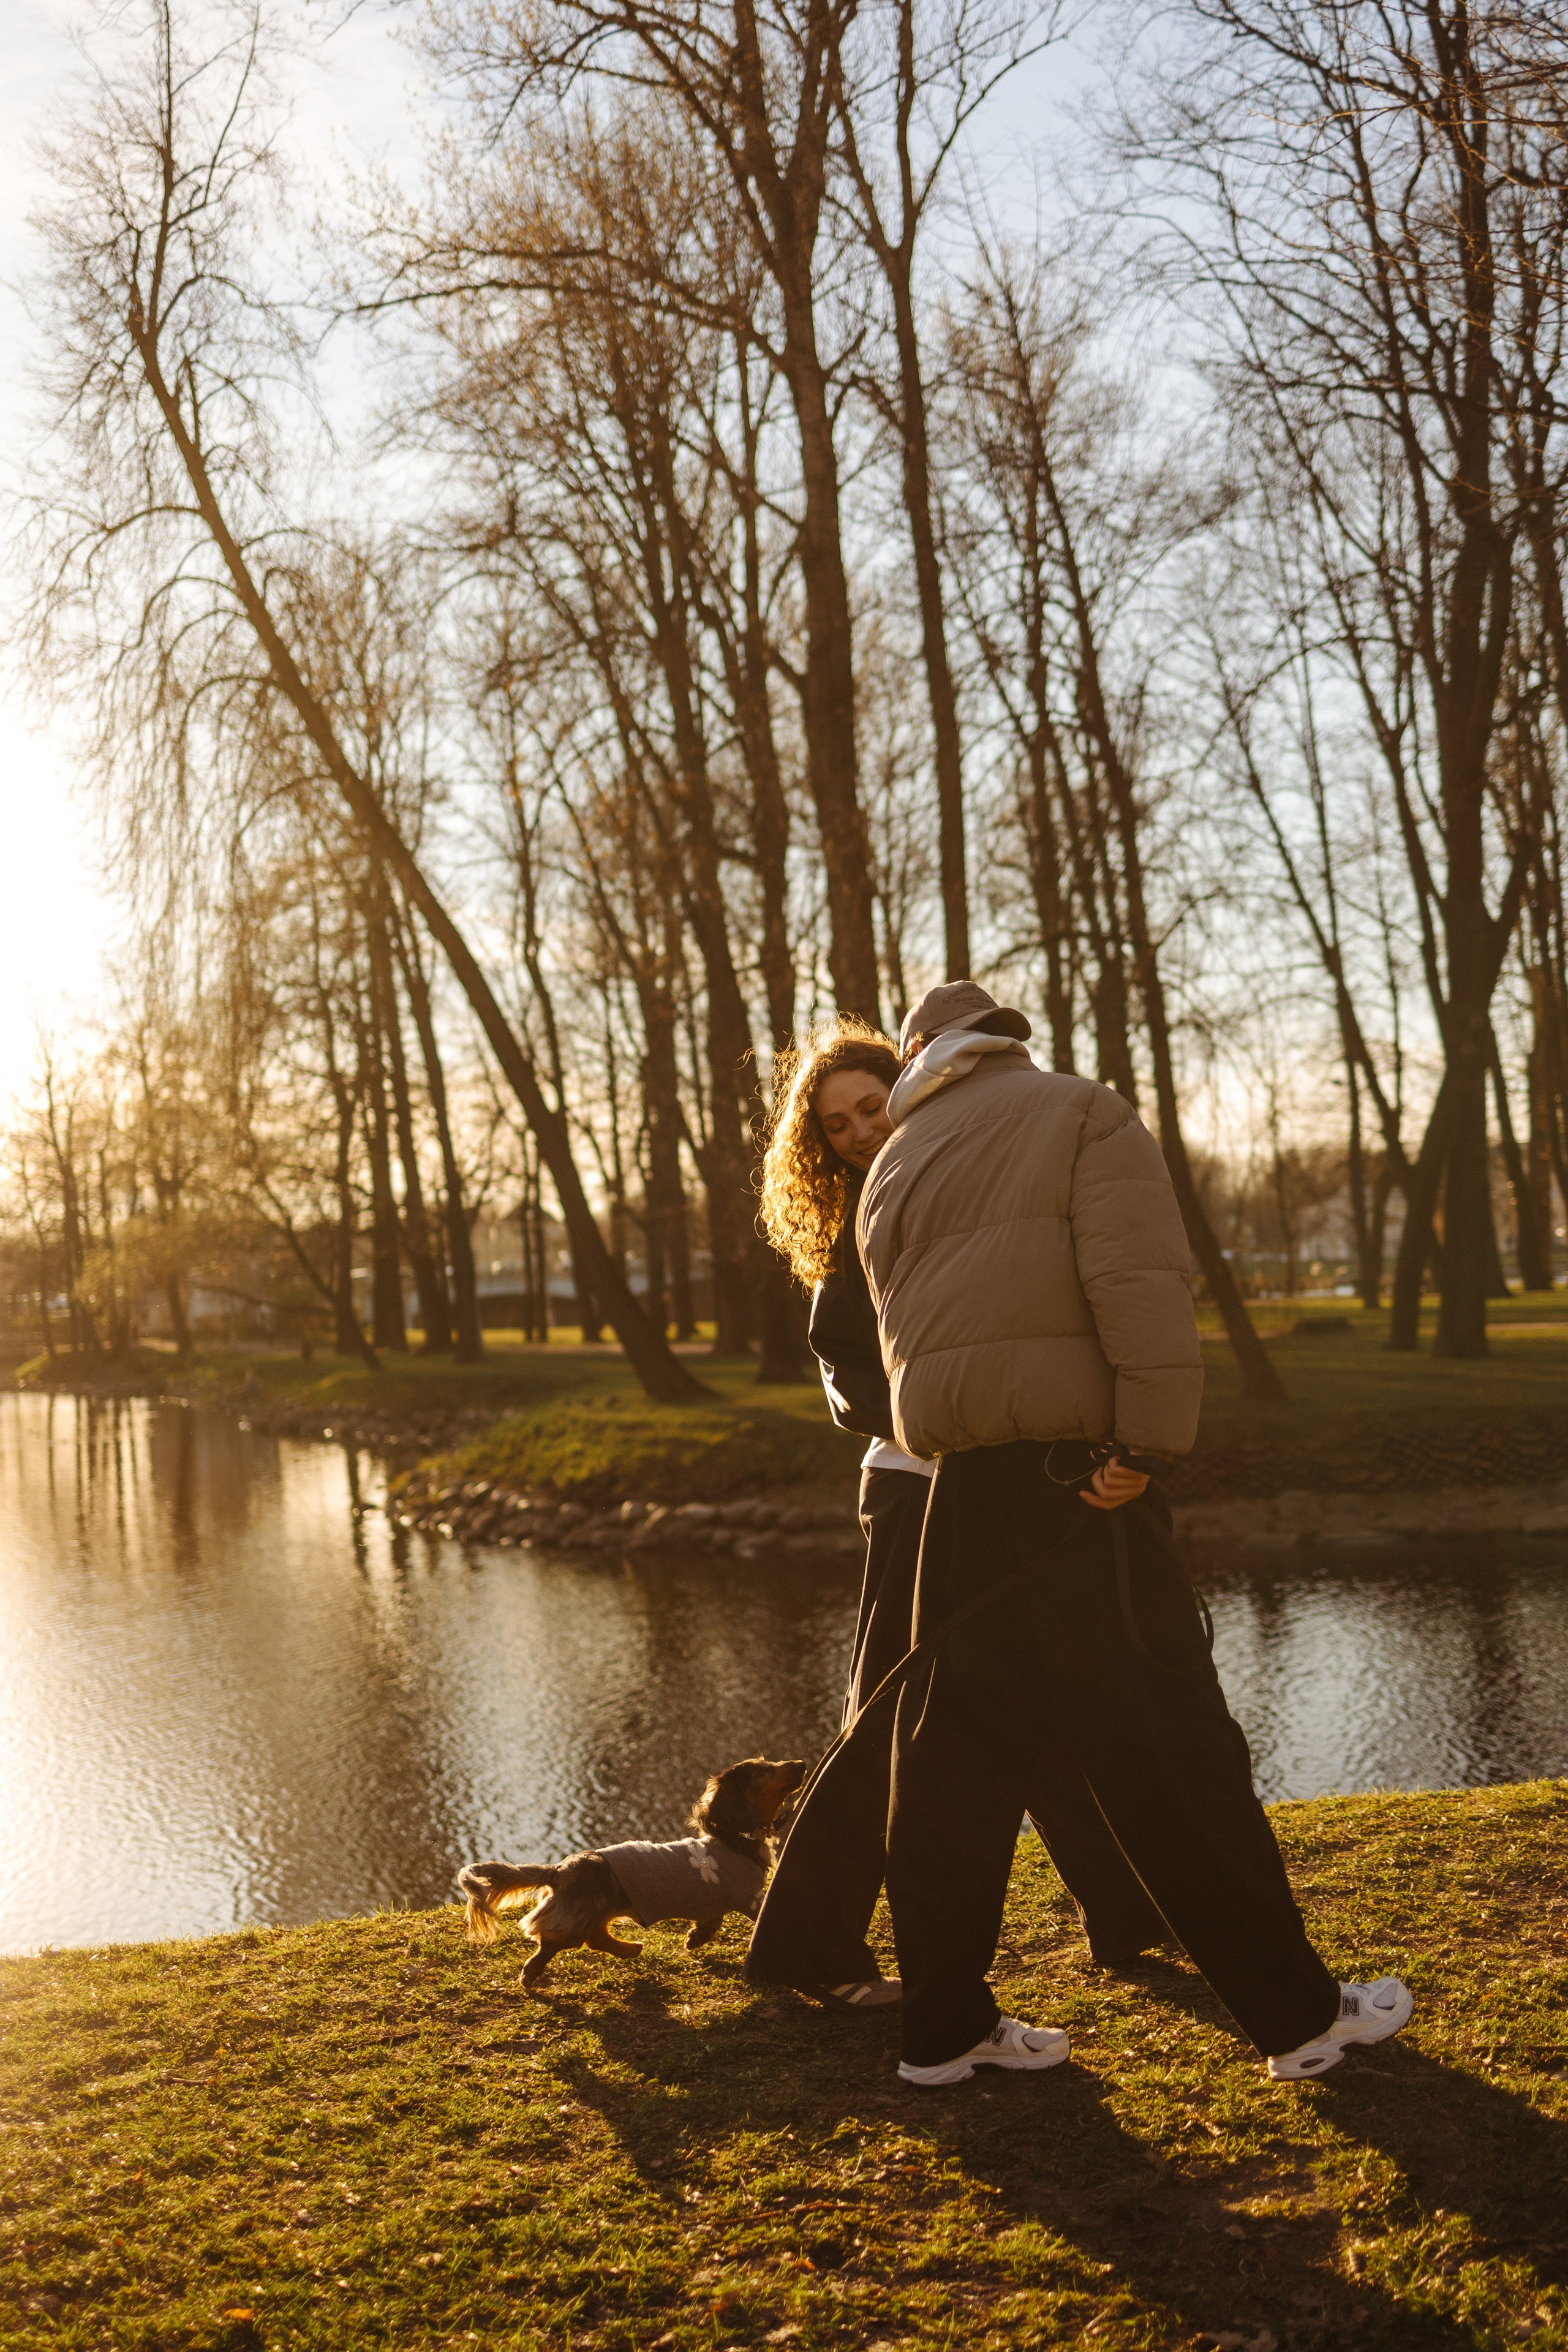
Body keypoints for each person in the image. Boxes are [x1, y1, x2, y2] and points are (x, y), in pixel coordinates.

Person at [854, 979, 1414, 2086]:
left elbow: (899, 1336)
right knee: (1175, 1748)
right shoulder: (1081, 1111)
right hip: (1081, 1483)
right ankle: (1300, 2018)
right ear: (1001, 1040)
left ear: (919, 1055)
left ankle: (941, 2030)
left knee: (950, 1767)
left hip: (956, 1491)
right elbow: (1140, 1283)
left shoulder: (896, 1159)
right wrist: (1146, 1447)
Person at [746, 1020, 1174, 2011]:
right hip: (916, 1487)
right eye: (837, 1125)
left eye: (871, 1107)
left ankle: (1126, 1911)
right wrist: (950, 1424)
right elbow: (848, 1378)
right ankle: (812, 1944)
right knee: (888, 1716)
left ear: (908, 1093)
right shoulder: (861, 1217)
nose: (860, 1131)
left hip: (1010, 1483)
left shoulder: (958, 1180)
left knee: (1043, 1697)